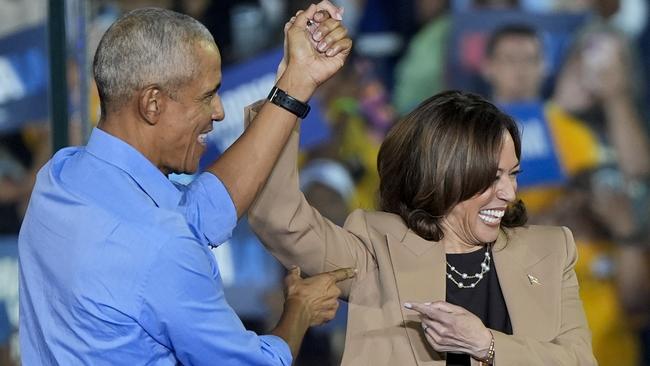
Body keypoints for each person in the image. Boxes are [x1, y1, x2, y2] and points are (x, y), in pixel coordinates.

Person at [19, 4, 355, 365]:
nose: (219, 112)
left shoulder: (61, 175)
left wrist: (296, 81)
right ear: (152, 104)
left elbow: (201, 212)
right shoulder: (160, 249)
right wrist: (300, 310)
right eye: (207, 95)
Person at [248, 90, 597, 365]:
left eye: (512, 175)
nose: (509, 193)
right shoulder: (378, 248)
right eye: (491, 179)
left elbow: (579, 361)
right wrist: (289, 94)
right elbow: (281, 219)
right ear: (444, 176)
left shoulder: (550, 251)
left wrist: (487, 346)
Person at [481, 23, 645, 365]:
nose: (519, 71)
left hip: (586, 282)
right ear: (488, 67)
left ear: (545, 67)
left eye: (529, 60)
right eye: (509, 60)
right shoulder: (468, 137)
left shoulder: (569, 132)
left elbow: (619, 187)